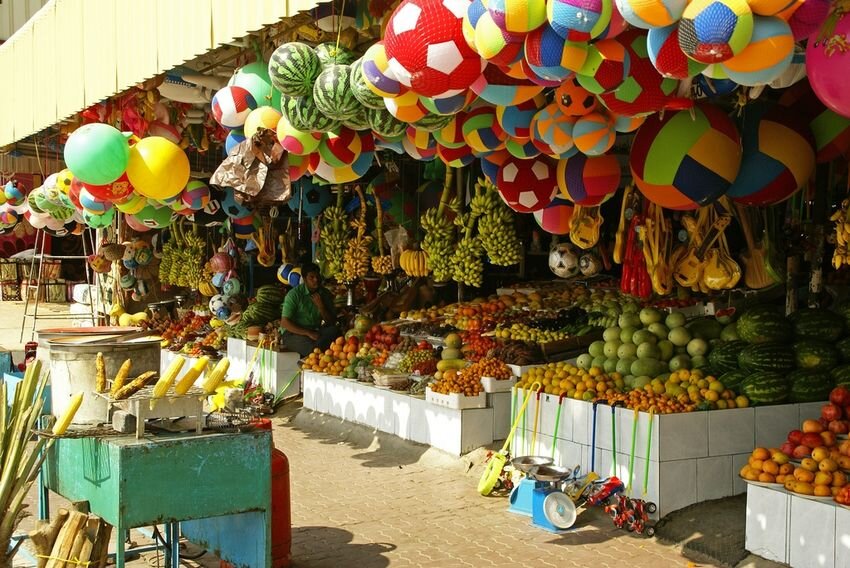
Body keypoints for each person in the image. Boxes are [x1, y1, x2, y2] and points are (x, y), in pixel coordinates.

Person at [280, 263, 340, 357]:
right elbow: (284, 323)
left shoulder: (324, 293)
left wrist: (321, 307)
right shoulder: (294, 295)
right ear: (304, 279)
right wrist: (307, 333)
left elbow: (331, 321)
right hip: (293, 333)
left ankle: (320, 349)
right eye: (311, 277)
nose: (316, 280)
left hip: (315, 331)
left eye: (317, 276)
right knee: (313, 349)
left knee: (334, 331)